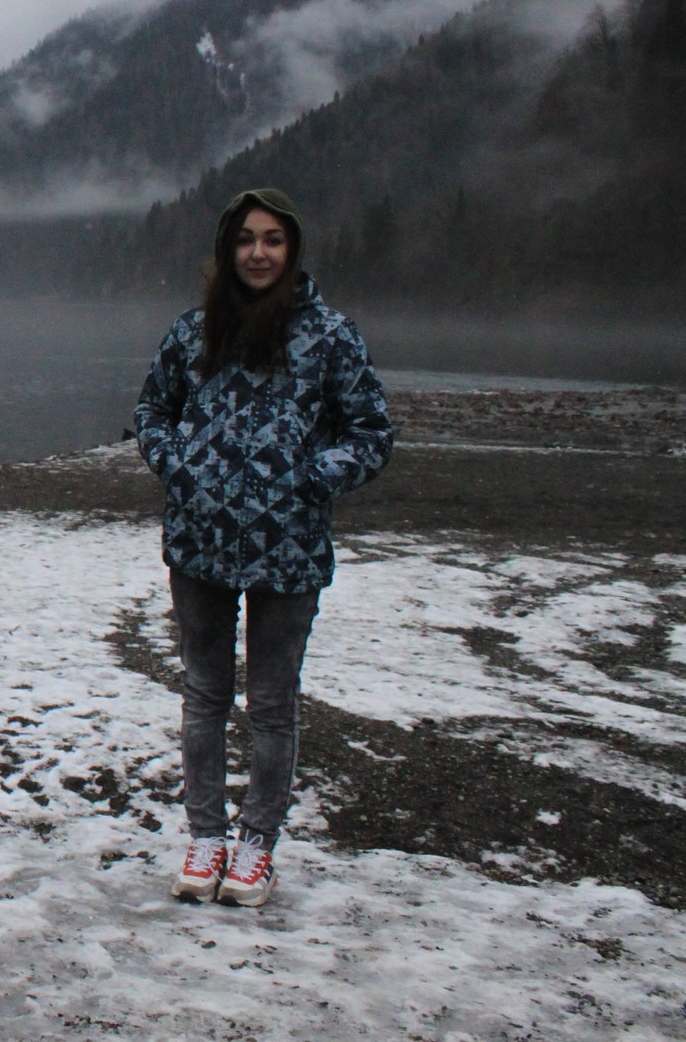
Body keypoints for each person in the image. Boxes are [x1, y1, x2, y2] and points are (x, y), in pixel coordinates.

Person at [134, 187, 392, 907]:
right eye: (246, 238)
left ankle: (257, 845)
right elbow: (151, 409)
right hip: (200, 542)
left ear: (292, 248)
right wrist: (177, 464)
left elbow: (372, 431)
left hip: (290, 548)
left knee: (273, 703)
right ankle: (207, 835)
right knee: (204, 695)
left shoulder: (330, 336)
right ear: (227, 249)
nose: (257, 251)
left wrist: (315, 476)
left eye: (272, 238)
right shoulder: (193, 333)